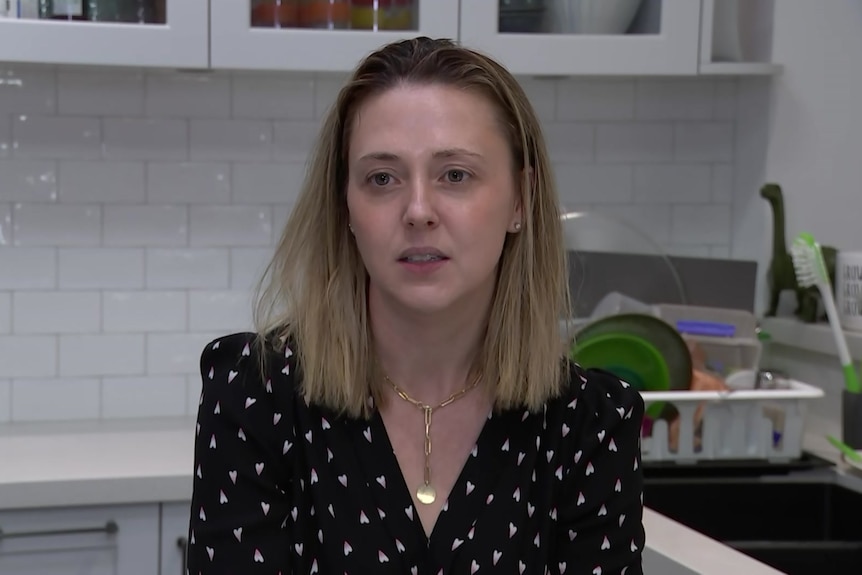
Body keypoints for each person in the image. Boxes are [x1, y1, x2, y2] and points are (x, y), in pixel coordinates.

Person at [186, 36, 645, 574]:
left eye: (455, 175)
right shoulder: (256, 395)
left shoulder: (589, 425)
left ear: (521, 199)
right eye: (382, 178)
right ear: (346, 207)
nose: (418, 210)